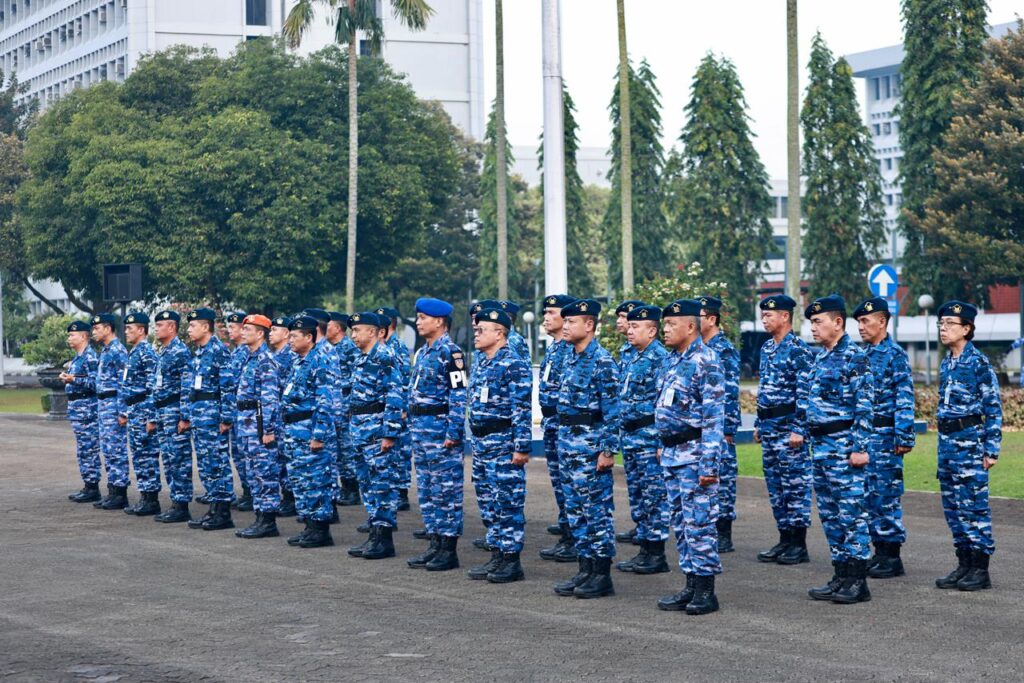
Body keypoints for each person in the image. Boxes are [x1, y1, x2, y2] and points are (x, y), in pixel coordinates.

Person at [801, 295, 875, 605]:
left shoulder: (854, 357)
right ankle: (841, 574)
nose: (813, 328)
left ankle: (858, 581)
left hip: (844, 448)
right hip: (821, 450)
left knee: (851, 515)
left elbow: (865, 406)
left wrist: (860, 447)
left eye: (818, 322)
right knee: (831, 516)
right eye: (811, 323)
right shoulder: (821, 358)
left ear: (838, 322)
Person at [655, 299, 725, 616]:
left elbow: (713, 419)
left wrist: (709, 465)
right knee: (681, 526)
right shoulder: (673, 360)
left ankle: (706, 591)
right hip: (672, 454)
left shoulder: (706, 361)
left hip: (695, 456)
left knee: (699, 524)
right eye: (664, 324)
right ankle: (690, 585)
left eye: (670, 324)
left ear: (690, 326)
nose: (664, 329)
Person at [553, 299, 621, 600]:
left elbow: (613, 411)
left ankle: (601, 574)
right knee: (576, 512)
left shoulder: (602, 361)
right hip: (568, 445)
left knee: (596, 513)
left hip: (590, 449)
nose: (565, 326)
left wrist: (607, 451)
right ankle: (585, 568)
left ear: (589, 325)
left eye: (571, 322)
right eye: (564, 322)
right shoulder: (569, 357)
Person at [934, 300, 1002, 592]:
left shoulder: (978, 363)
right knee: (953, 508)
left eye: (950, 323)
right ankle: (964, 563)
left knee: (974, 508)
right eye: (941, 323)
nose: (943, 328)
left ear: (967, 328)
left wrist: (991, 449)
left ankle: (980, 568)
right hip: (947, 446)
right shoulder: (947, 363)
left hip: (970, 446)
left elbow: (993, 408)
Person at [464, 308, 532, 583]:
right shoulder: (481, 362)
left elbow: (522, 408)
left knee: (507, 502)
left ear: (499, 333)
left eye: (482, 330)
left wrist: (521, 447)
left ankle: (511, 560)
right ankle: (497, 553)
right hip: (482, 444)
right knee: (488, 502)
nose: (476, 334)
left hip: (503, 443)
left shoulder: (513, 364)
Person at [853, 298, 915, 578]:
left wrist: (903, 434)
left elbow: (904, 396)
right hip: (867, 436)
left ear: (883, 321)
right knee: (868, 496)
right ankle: (878, 551)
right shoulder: (863, 355)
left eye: (866, 321)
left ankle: (891, 556)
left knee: (886, 495)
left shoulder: (895, 354)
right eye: (859, 322)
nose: (861, 327)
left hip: (887, 436)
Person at [405, 298, 469, 572]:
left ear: (440, 321)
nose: (418, 322)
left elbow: (458, 394)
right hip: (421, 432)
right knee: (428, 492)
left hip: (441, 431)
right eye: (417, 317)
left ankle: (448, 548)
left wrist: (454, 431)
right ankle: (434, 543)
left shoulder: (451, 353)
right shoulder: (423, 353)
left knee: (447, 492)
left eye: (423, 318)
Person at [753, 295, 814, 565]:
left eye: (769, 315)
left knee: (795, 486)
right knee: (776, 487)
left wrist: (799, 429)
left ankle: (798, 544)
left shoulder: (798, 349)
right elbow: (764, 390)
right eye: (763, 315)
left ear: (785, 316)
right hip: (769, 428)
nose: (764, 319)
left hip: (789, 429)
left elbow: (805, 394)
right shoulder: (767, 348)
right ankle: (784, 538)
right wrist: (758, 423)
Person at [345, 312, 405, 560]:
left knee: (382, 484)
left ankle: (384, 538)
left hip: (376, 430)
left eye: (358, 330)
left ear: (374, 332)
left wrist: (389, 433)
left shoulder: (384, 357)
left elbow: (394, 395)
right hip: (360, 430)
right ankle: (374, 531)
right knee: (367, 484)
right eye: (353, 330)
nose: (353, 334)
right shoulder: (360, 358)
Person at [616, 304, 671, 575]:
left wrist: (662, 442)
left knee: (654, 496)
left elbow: (664, 403)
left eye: (636, 326)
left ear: (652, 330)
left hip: (649, 437)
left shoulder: (659, 357)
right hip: (631, 437)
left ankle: (656, 553)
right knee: (638, 496)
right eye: (629, 325)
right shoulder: (633, 356)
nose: (629, 329)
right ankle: (644, 549)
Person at [282, 316, 337, 548]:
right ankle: (309, 526)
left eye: (294, 336)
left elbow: (325, 400)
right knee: (300, 480)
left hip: (309, 429)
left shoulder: (320, 361)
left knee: (316, 480)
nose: (290, 340)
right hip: (295, 430)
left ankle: (321, 529)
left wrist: (318, 435)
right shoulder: (298, 361)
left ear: (309, 337)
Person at [182, 308, 236, 531]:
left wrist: (226, 418)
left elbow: (228, 386)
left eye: (193, 325)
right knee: (206, 464)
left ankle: (223, 512)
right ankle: (214, 507)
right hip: (200, 416)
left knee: (217, 463)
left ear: (206, 327)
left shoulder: (218, 351)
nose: (189, 330)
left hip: (213, 416)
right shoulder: (199, 352)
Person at [233, 314, 284, 539]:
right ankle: (259, 517)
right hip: (246, 423)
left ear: (260, 333)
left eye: (248, 329)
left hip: (259, 424)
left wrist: (268, 430)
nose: (243, 333)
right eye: (242, 329)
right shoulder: (250, 358)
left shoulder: (266, 360)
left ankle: (268, 521)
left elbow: (270, 399)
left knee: (265, 472)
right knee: (253, 473)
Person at [698, 295, 741, 553]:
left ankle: (724, 532)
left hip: (720, 426)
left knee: (723, 480)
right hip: (702, 426)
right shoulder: (698, 348)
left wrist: (727, 430)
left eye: (699, 317)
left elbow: (730, 392)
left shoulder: (722, 349)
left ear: (711, 319)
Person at [537, 294, 578, 563]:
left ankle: (574, 537)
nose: (545, 317)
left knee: (571, 486)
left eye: (551, 312)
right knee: (560, 484)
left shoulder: (571, 350)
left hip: (566, 425)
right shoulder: (553, 349)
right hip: (552, 424)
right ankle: (567, 532)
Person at [149, 310, 195, 524]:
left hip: (174, 411)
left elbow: (187, 385)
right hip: (162, 412)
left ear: (172, 327)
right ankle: (176, 501)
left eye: (160, 325)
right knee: (168, 459)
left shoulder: (179, 351)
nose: (156, 329)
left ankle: (182, 504)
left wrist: (185, 416)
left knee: (179, 458)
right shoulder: (165, 351)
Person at [121, 312, 161, 517]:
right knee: (138, 454)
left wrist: (150, 417)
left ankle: (152, 498)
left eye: (130, 328)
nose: (126, 332)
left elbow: (151, 387)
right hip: (134, 410)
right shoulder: (134, 352)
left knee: (147, 454)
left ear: (142, 330)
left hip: (143, 410)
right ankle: (145, 495)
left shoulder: (146, 353)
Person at [90, 313, 130, 510]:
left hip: (113, 404)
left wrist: (123, 411)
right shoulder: (106, 351)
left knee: (116, 449)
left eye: (97, 328)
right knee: (108, 449)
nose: (93, 332)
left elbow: (124, 383)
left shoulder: (118, 350)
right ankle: (113, 489)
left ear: (108, 328)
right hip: (103, 405)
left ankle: (120, 492)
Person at [377, 306, 413, 512]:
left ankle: (401, 492)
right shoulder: (382, 346)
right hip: (385, 408)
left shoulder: (397, 346)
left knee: (400, 450)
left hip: (397, 406)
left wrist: (404, 407)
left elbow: (403, 379)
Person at [61, 320, 101, 503]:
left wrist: (73, 379)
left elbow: (96, 384)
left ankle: (92, 487)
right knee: (83, 450)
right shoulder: (78, 358)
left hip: (87, 411)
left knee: (89, 449)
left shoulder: (90, 357)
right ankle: (88, 484)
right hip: (78, 411)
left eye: (72, 335)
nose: (69, 338)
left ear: (84, 336)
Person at [326, 312, 361, 508]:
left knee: (347, 449)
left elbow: (356, 378)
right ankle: (345, 487)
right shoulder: (333, 349)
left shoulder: (348, 348)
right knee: (339, 448)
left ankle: (352, 489)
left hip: (347, 403)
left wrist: (351, 405)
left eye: (329, 325)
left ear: (338, 328)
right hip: (336, 403)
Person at [223, 311, 251, 511]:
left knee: (245, 454)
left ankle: (251, 493)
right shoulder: (235, 353)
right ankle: (246, 491)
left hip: (245, 413)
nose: (229, 330)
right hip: (235, 412)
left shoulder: (247, 353)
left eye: (233, 327)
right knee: (239, 456)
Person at [269, 316, 297, 517]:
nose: (271, 333)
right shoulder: (276, 355)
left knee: (287, 456)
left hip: (285, 414)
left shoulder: (289, 356)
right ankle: (286, 496)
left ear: (286, 333)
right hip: (278, 414)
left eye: (275, 330)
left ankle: (290, 497)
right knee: (280, 457)